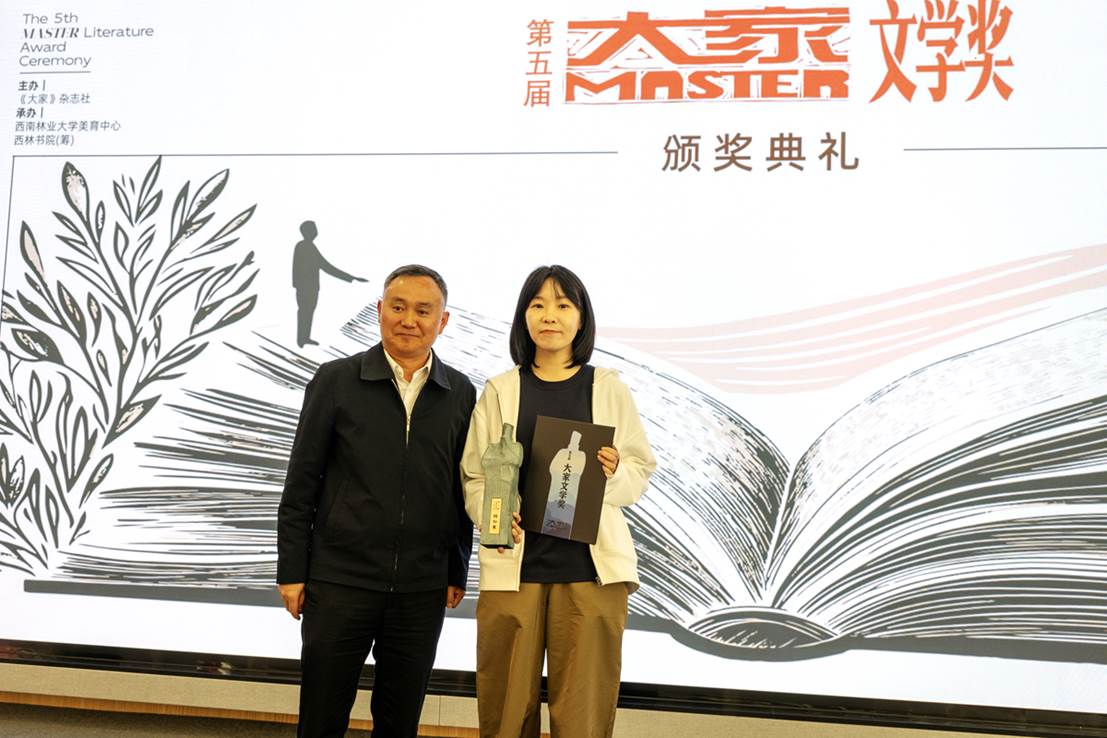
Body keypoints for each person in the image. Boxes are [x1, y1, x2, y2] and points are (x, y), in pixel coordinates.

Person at [277, 264, 476, 738]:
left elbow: (462, 487)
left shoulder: (461, 393)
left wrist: (456, 569)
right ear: (381, 310)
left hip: (421, 588)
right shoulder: (336, 380)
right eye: (398, 307)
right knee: (322, 717)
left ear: (443, 321)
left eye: (423, 311)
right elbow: (302, 481)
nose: (409, 320)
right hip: (340, 580)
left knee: (399, 721)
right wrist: (292, 570)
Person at [460, 265, 656, 738]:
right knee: (506, 713)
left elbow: (638, 471)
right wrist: (495, 514)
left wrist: (612, 472)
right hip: (515, 570)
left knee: (583, 718)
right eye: (538, 305)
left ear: (581, 319)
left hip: (591, 572)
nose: (550, 315)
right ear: (523, 316)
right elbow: (475, 475)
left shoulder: (608, 388)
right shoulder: (500, 390)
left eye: (563, 305)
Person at [292, 220, 366, 347]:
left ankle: (304, 338)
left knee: (309, 311)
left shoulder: (310, 247)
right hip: (305, 287)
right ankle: (301, 339)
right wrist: (297, 283)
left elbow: (325, 266)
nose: (315, 231)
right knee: (305, 311)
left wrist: (351, 278)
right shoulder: (303, 246)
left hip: (311, 287)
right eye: (313, 229)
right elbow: (322, 266)